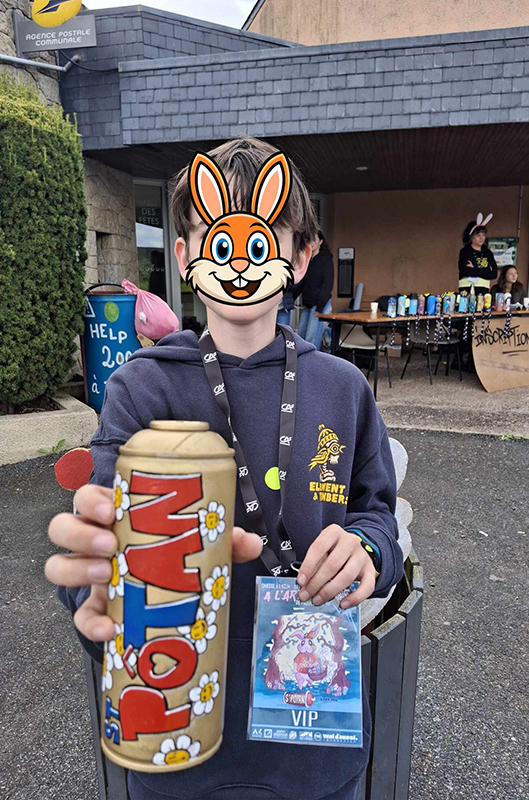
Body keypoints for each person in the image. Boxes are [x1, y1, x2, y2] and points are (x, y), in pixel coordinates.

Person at [45, 137, 403, 800]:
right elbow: (101, 543)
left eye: (262, 241)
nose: (239, 261)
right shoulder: (142, 388)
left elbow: (376, 516)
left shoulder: (342, 388)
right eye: (217, 238)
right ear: (184, 255)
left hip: (315, 744)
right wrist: (96, 587)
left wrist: (366, 550)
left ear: (300, 257)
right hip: (173, 737)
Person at [297, 230, 334, 350]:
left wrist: (320, 308)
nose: (311, 242)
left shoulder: (326, 259)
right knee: (301, 337)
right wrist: (291, 298)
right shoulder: (308, 260)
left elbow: (327, 285)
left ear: (321, 242)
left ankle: (313, 362)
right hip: (307, 305)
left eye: (314, 239)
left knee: (311, 340)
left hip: (319, 306)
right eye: (309, 239)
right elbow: (303, 283)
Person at [458, 213, 498, 294]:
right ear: (471, 236)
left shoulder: (488, 253)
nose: (481, 238)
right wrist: (486, 270)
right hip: (467, 289)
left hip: (484, 290)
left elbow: (494, 274)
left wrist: (475, 268)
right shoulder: (465, 252)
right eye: (478, 235)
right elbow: (466, 271)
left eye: (483, 235)